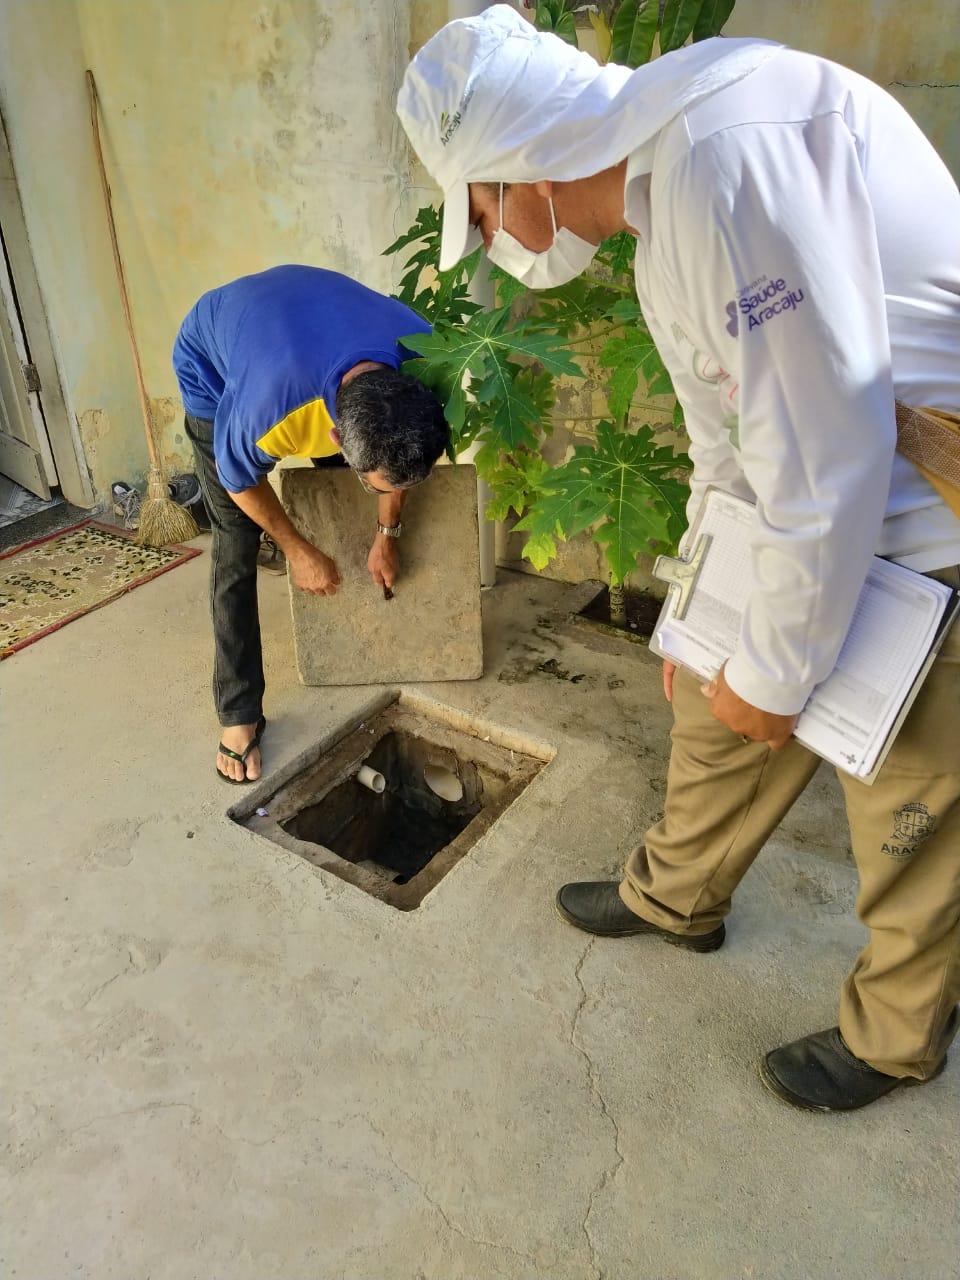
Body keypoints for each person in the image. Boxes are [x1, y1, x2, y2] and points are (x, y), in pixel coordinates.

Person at [398, 7, 960, 1111]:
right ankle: (676, 899)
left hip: (925, 531)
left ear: (521, 166)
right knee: (712, 705)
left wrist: (777, 673)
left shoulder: (726, 158)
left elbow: (829, 452)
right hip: (818, 516)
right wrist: (702, 619)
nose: (497, 238)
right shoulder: (665, 203)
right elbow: (727, 445)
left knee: (910, 809)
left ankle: (899, 1035)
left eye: (483, 211)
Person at [172, 265, 449, 784]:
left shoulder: (426, 356)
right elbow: (239, 483)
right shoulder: (267, 409)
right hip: (212, 357)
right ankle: (238, 712)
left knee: (356, 481)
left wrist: (387, 534)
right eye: (375, 483)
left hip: (301, 321)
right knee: (235, 539)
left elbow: (399, 459)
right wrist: (297, 550)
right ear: (336, 437)